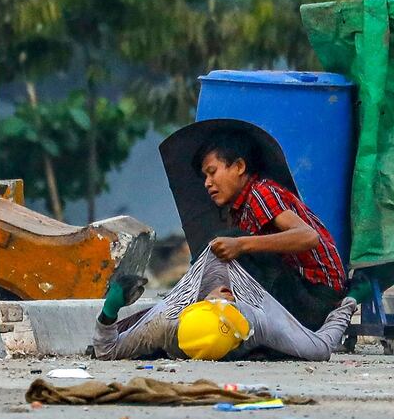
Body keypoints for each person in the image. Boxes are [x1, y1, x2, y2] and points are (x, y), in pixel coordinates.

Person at [191, 130, 346, 331]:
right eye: (205, 176)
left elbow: (308, 236)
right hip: (299, 293)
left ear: (239, 166)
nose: (207, 183)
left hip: (317, 297)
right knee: (223, 249)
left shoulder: (260, 193)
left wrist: (240, 245)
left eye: (212, 172)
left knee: (232, 240)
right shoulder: (240, 211)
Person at [93, 248, 356, 361]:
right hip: (222, 287)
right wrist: (349, 303)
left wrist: (110, 312)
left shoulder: (251, 318)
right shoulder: (166, 321)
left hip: (250, 273)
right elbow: (320, 348)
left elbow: (107, 350)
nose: (224, 296)